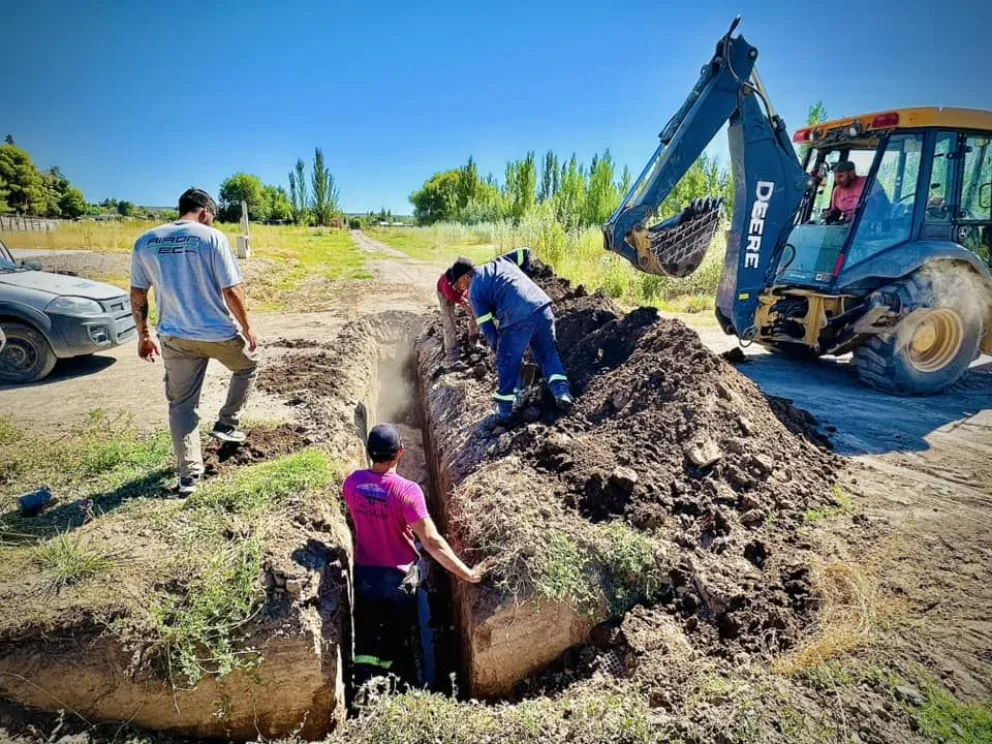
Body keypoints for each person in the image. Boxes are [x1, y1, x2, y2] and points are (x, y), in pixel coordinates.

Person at [130, 188, 258, 497]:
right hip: (217, 334)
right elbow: (232, 290)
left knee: (182, 405)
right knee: (247, 367)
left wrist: (143, 335)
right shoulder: (211, 238)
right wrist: (247, 327)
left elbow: (137, 294)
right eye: (212, 216)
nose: (212, 221)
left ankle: (189, 475)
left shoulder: (145, 241)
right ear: (204, 212)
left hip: (175, 338)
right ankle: (227, 423)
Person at [343, 423, 483, 688]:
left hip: (364, 577)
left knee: (368, 637)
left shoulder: (351, 483)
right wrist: (468, 574)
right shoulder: (407, 492)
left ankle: (363, 687)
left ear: (368, 452)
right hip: (400, 581)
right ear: (400, 452)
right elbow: (431, 541)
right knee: (403, 640)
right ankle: (407, 683)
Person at [447, 253, 574, 423]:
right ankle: (562, 392)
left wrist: (499, 350)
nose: (459, 289)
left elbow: (487, 328)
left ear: (465, 277)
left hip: (517, 318)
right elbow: (525, 253)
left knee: (506, 362)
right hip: (542, 307)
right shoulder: (502, 261)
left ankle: (504, 412)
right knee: (548, 354)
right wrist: (524, 282)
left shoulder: (474, 292)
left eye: (458, 285)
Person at [435, 247, 532, 363]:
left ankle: (474, 340)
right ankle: (452, 355)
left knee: (475, 310)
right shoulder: (449, 290)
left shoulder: (468, 278)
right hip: (444, 296)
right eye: (457, 285)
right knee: (449, 323)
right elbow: (464, 301)